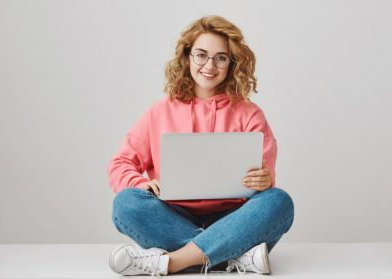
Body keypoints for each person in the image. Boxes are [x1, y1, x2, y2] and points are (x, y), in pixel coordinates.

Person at [108, 15, 294, 276]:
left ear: (232, 63)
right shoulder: (158, 112)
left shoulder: (250, 114)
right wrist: (141, 184)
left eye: (220, 57)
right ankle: (234, 257)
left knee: (279, 202)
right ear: (187, 57)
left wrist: (264, 180)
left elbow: (265, 178)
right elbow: (120, 163)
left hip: (235, 218)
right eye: (201, 55)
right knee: (126, 203)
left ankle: (172, 262)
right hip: (171, 217)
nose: (210, 65)